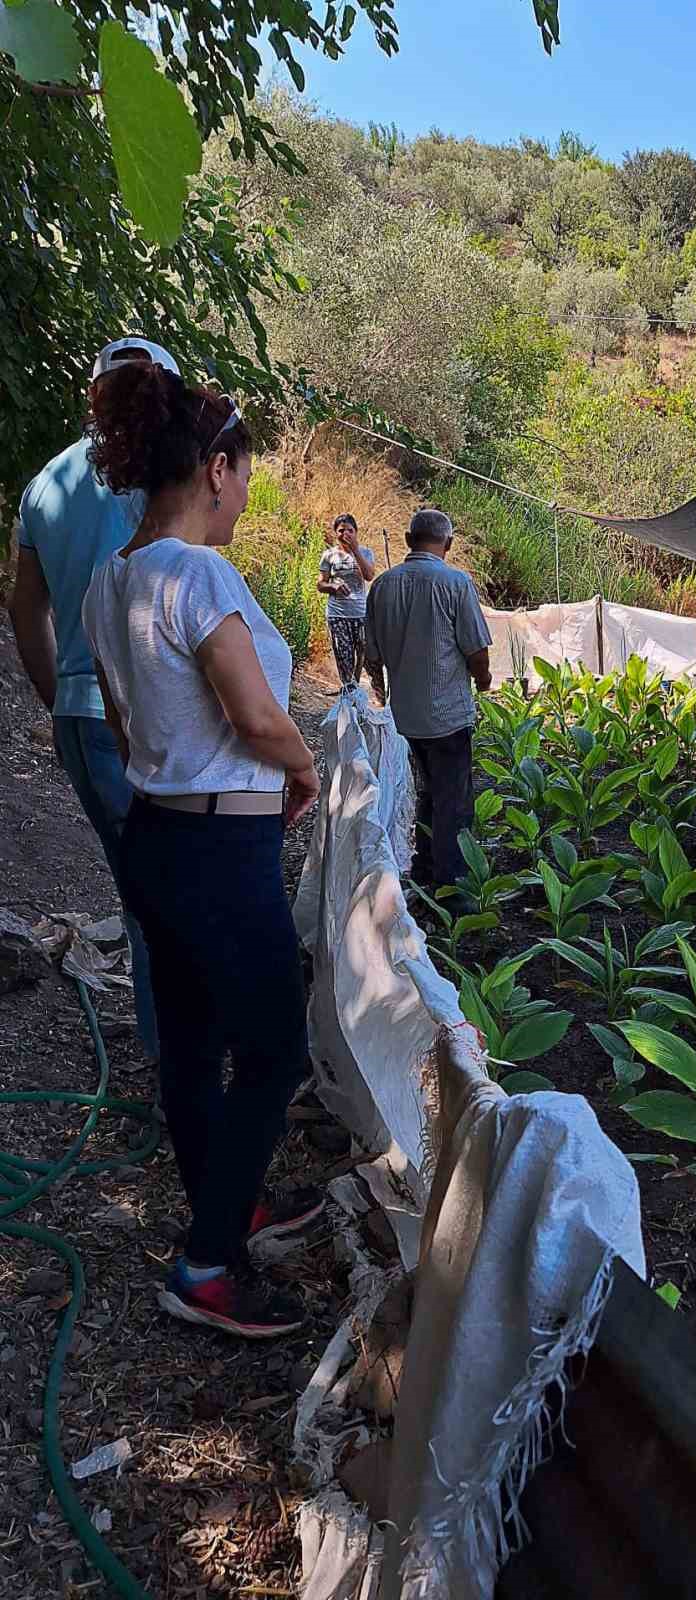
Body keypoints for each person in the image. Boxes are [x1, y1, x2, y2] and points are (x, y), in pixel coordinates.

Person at [81, 361, 324, 1339]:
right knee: (274, 1047)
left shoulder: (113, 581)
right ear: (215, 469)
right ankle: (207, 1264)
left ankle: (222, 1207)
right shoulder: (199, 573)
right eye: (247, 475)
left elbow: (121, 719)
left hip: (155, 837)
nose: (248, 493)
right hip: (221, 849)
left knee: (190, 1045)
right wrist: (301, 768)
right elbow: (256, 713)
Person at [6, 337, 178, 1063]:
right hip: (144, 712)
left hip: (81, 716)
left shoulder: (46, 484)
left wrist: (60, 698)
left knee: (141, 879)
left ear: (91, 396)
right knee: (166, 893)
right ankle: (177, 1065)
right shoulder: (160, 470)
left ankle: (170, 1049)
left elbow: (25, 609)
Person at [365, 509, 492, 890]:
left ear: (407, 539)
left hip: (404, 717)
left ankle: (423, 871)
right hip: (446, 716)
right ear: (448, 545)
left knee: (423, 793)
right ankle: (452, 886)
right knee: (452, 801)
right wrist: (483, 681)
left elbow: (371, 654)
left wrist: (382, 691)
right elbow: (477, 650)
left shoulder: (382, 585)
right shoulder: (455, 583)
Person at [317, 513, 375, 689]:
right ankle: (349, 694)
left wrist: (355, 550)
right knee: (344, 657)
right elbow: (320, 583)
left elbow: (369, 575)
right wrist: (332, 587)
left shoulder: (365, 552)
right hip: (338, 614)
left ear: (356, 532)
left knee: (363, 655)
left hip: (360, 613)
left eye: (350, 530)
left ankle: (354, 687)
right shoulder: (329, 555)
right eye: (341, 530)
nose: (345, 534)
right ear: (336, 533)